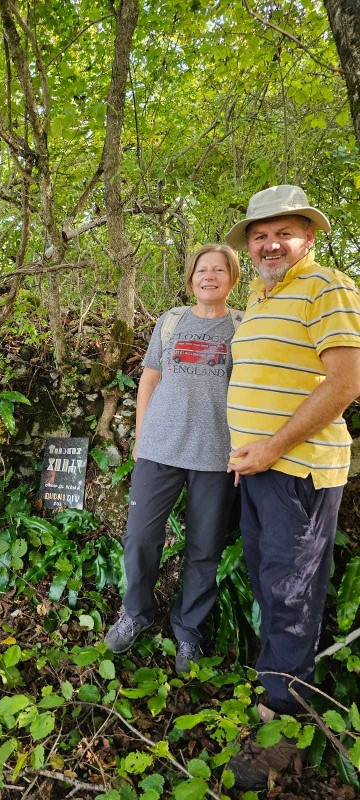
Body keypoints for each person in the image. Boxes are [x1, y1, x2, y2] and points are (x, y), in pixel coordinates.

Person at [224, 185, 360, 789]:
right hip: (259, 469)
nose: (270, 243)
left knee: (292, 591)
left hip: (297, 470)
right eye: (259, 235)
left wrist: (273, 446)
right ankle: (275, 682)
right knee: (271, 579)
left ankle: (281, 723)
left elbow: (345, 383)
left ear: (309, 236)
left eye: (283, 232)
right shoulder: (259, 295)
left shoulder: (327, 286)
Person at [105, 244, 241, 672]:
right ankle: (137, 613)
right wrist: (142, 435)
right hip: (160, 448)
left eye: (220, 270)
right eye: (203, 269)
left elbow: (251, 393)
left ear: (232, 279)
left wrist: (244, 449)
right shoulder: (171, 321)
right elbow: (149, 378)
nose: (210, 276)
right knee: (141, 537)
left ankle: (188, 632)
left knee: (204, 548)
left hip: (217, 454)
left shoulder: (244, 326)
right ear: (190, 278)